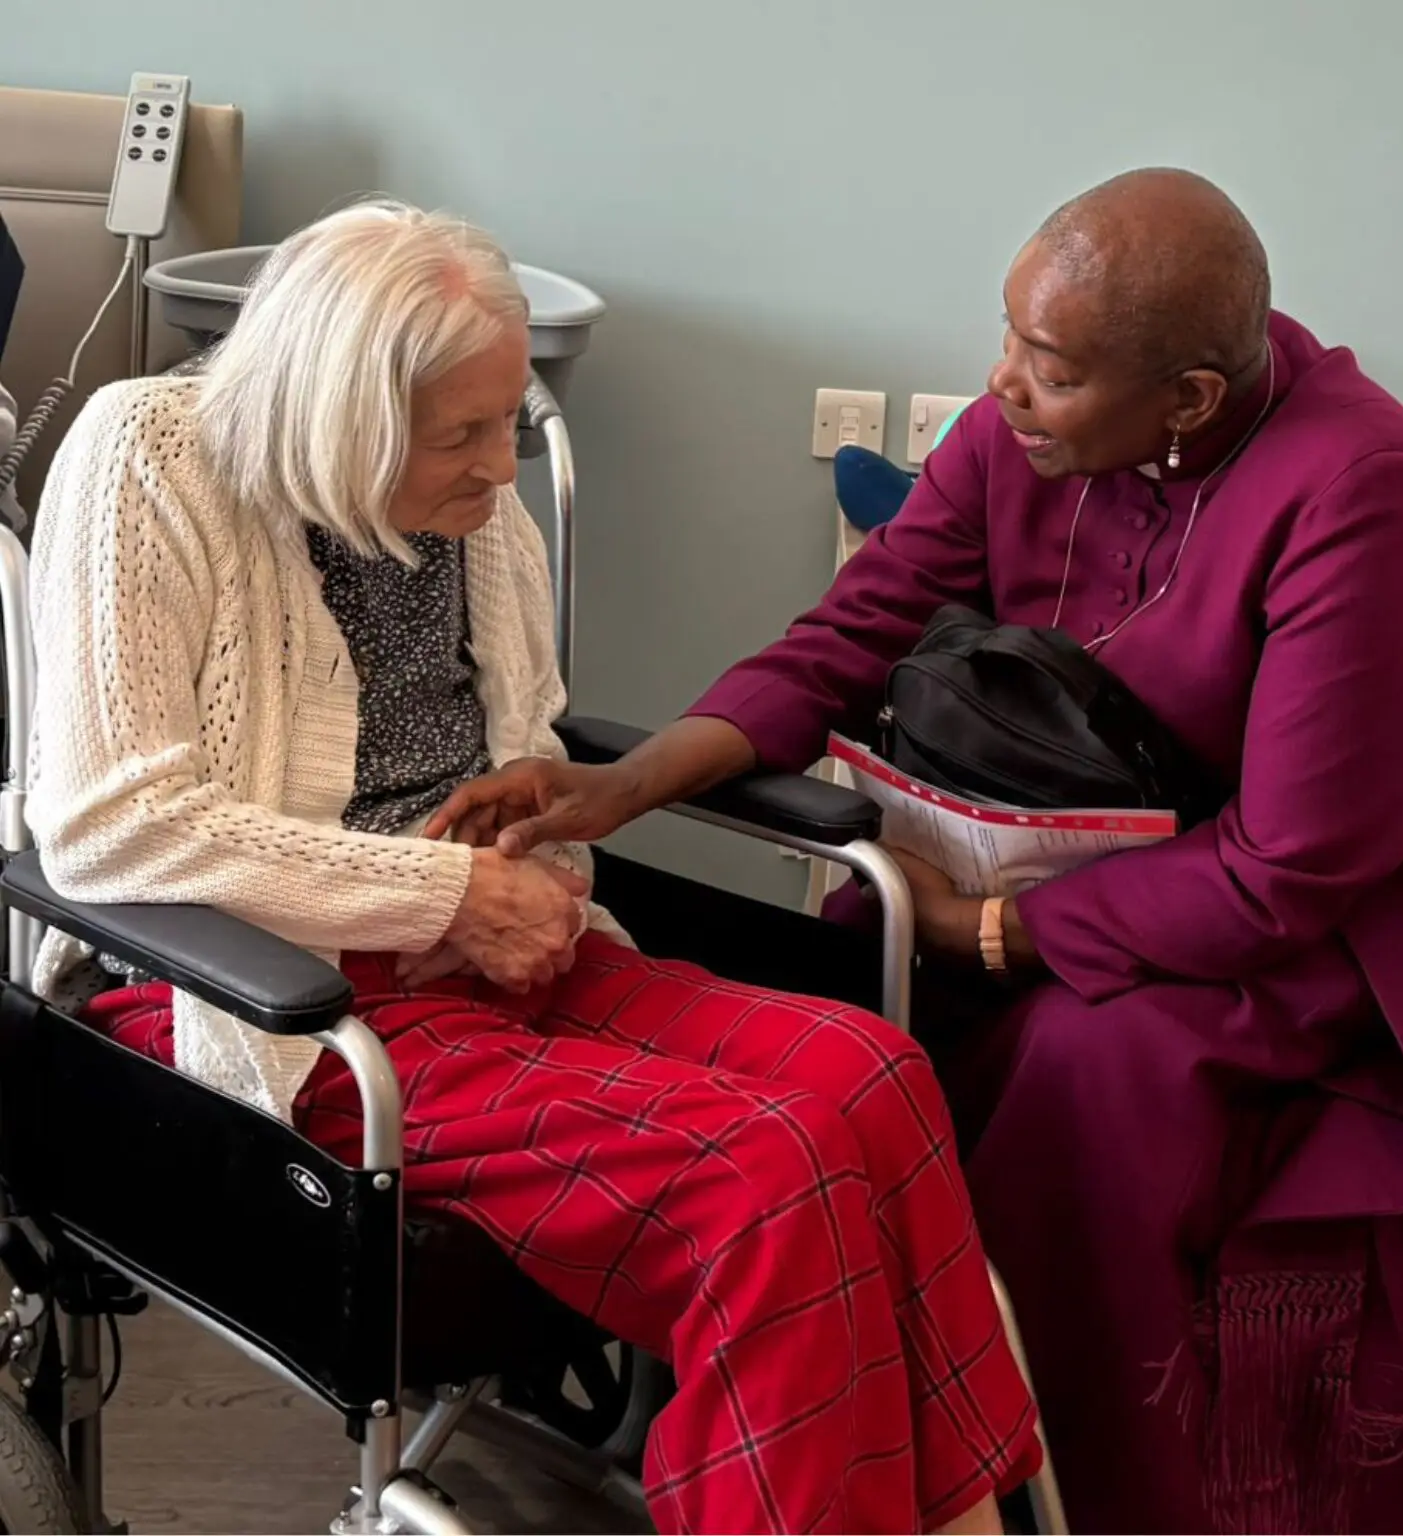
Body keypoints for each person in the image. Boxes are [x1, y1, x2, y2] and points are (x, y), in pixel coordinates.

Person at [432, 169, 1403, 1533]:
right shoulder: (1030, 434)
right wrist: (625, 783)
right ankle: (859, 1412)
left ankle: (1065, 1480)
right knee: (849, 977)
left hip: (1402, 871)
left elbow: (1297, 866)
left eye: (1046, 367)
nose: (1000, 384)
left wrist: (987, 932)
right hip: (1144, 831)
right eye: (1006, 336)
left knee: (1093, 1059)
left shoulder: (1367, 498)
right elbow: (854, 632)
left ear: (1183, 399)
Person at [25, 199, 1040, 1535]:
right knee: (763, 1171)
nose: (501, 471)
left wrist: (535, 861)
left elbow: (524, 745)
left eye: (510, 421)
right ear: (339, 418)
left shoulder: (475, 509)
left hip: (493, 952)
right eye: (461, 434)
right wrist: (444, 896)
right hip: (270, 1002)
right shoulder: (149, 456)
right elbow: (109, 822)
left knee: (876, 1078)